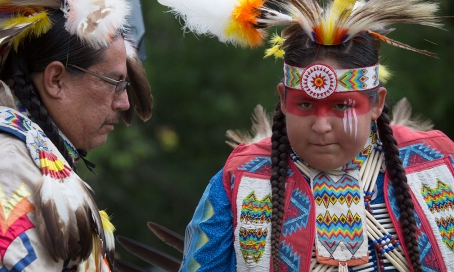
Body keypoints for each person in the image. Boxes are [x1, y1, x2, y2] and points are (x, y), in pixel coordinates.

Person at [157, 0, 454, 271]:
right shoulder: (241, 180)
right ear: (283, 99)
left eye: (341, 105)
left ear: (376, 103)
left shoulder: (439, 166)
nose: (321, 125)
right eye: (305, 105)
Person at [0, 0, 153, 271]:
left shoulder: (16, 153)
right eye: (114, 83)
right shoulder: (2, 162)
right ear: (55, 80)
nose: (124, 103)